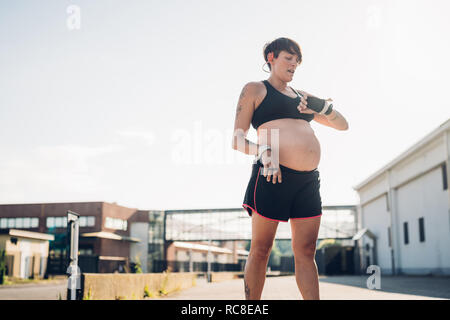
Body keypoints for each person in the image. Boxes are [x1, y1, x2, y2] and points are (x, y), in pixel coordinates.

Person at [231, 37, 348, 300]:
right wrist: (263, 150)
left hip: (308, 181)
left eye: (297, 60)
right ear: (271, 57)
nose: (294, 63)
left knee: (306, 251)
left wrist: (325, 107)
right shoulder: (255, 89)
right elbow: (236, 139)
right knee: (261, 249)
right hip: (273, 175)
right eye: (289, 57)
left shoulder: (303, 98)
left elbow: (342, 125)